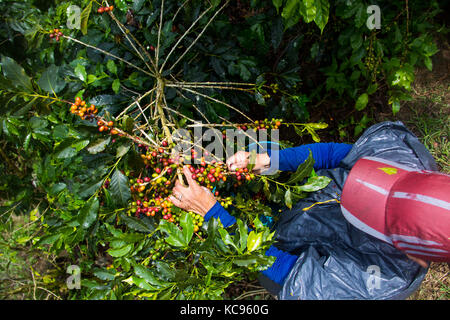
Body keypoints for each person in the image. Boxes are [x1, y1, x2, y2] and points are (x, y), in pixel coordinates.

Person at [168, 121, 450, 299]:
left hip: (291, 252)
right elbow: (334, 155)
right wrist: (269, 159)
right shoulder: (402, 157)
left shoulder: (376, 282)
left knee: (266, 249)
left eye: (373, 212)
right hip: (305, 196)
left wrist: (213, 213)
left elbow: (282, 271)